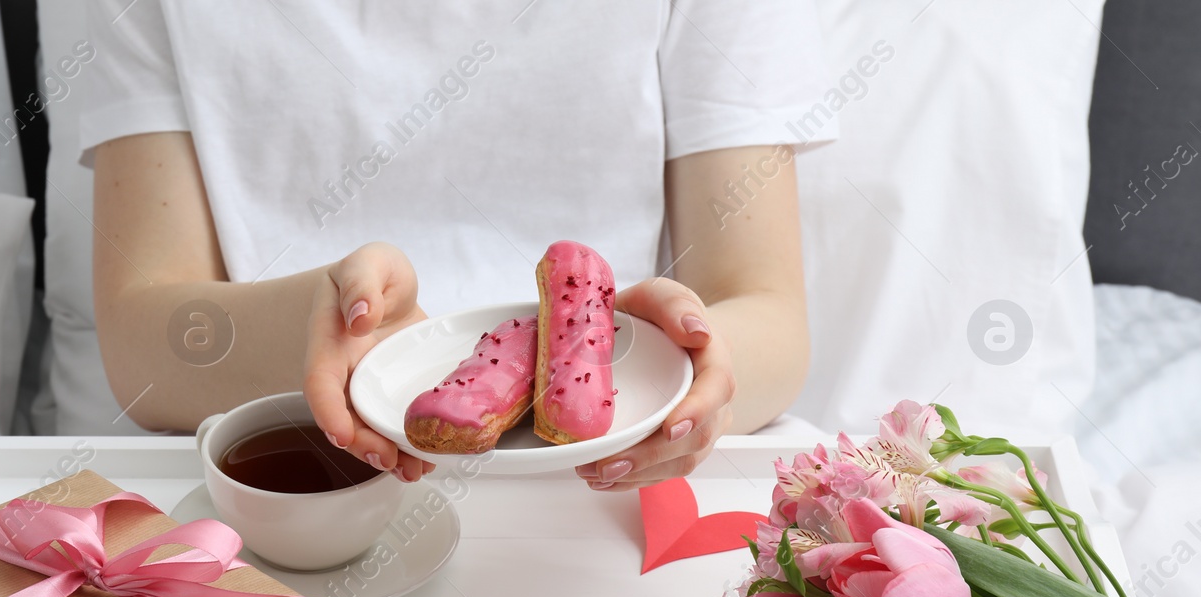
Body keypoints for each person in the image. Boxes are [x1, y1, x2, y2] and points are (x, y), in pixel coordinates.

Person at [85, 0, 828, 491]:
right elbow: (140, 343)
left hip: (611, 502)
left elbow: (765, 314)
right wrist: (340, 333)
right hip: (294, 483)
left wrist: (679, 371)